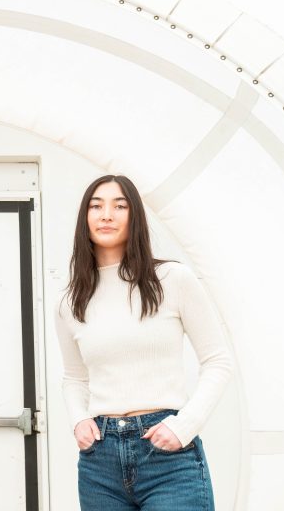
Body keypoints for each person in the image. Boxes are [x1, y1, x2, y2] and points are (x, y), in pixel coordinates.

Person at [55, 174, 233, 510]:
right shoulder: (70, 301)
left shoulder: (172, 280)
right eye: (96, 206)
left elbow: (218, 362)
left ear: (134, 216)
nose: (107, 215)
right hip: (99, 462)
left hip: (168, 457)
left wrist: (185, 426)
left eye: (119, 206)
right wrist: (78, 419)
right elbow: (74, 377)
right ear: (85, 218)